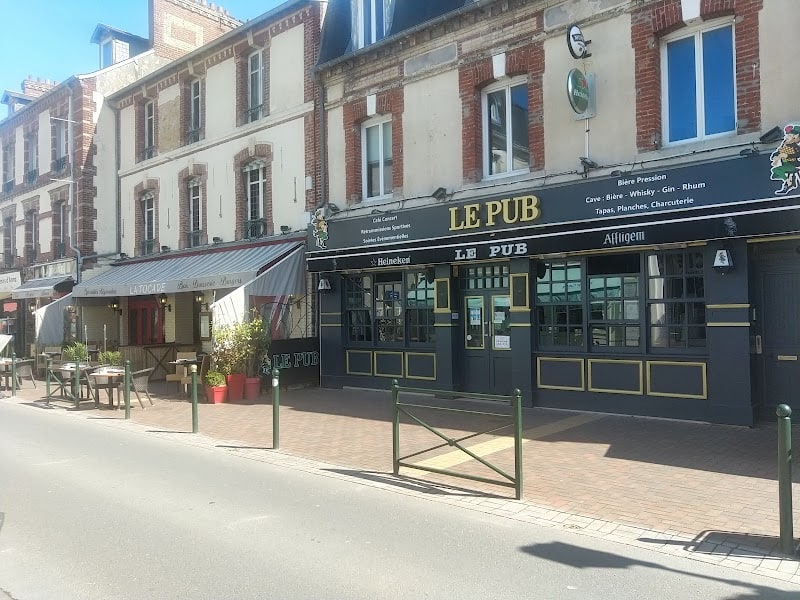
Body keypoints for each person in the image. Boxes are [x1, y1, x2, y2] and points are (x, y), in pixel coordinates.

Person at [770, 124, 800, 195]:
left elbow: (798, 154)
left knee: (777, 171)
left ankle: (788, 183)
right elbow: (778, 152)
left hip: (793, 164)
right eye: (788, 135)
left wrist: (787, 155)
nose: (787, 137)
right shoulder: (784, 144)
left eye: (790, 135)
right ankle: (789, 183)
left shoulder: (795, 146)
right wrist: (775, 156)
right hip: (785, 163)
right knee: (775, 175)